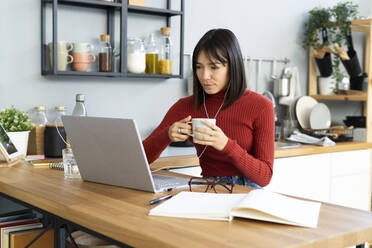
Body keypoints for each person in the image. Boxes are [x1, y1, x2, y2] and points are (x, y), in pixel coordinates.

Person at [143, 29, 275, 188]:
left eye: (214, 67)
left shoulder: (261, 106)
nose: (204, 75)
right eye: (199, 67)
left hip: (248, 191)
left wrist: (226, 145)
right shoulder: (185, 106)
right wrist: (167, 135)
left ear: (232, 66)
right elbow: (140, 158)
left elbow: (265, 176)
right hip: (207, 187)